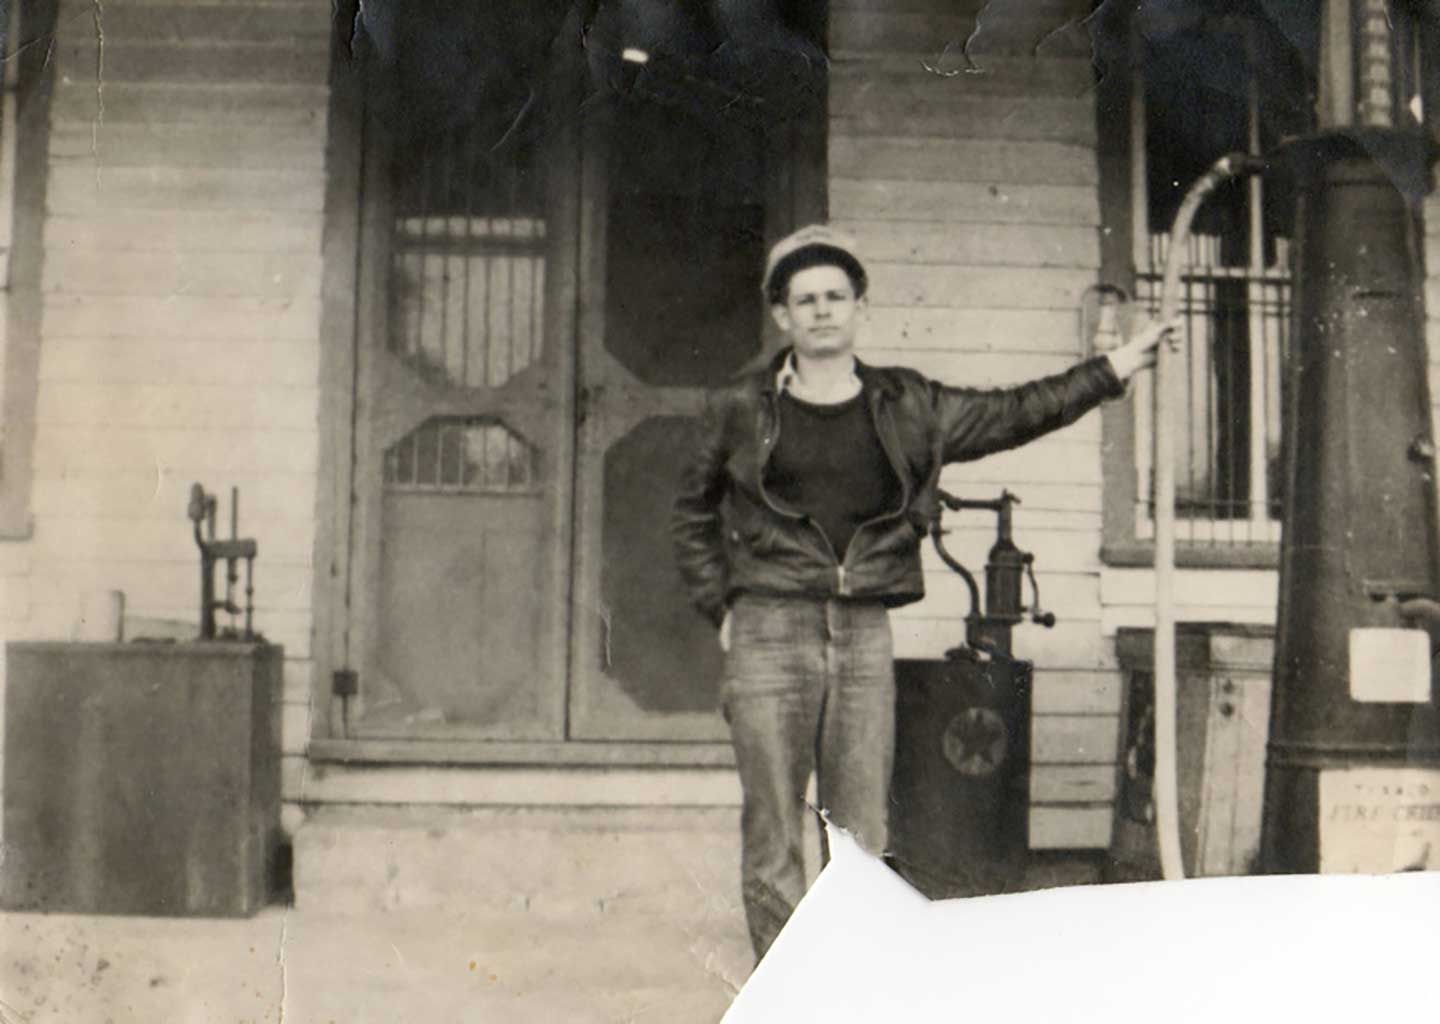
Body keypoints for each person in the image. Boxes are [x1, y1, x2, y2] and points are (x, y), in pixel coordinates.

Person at [670, 223, 1174, 960]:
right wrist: (722, 607)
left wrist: (1112, 368)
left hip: (863, 633)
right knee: (773, 829)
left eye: (836, 296)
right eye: (805, 299)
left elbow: (1013, 412)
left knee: (860, 835)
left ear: (861, 308)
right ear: (781, 315)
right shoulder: (742, 407)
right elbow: (691, 512)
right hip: (769, 630)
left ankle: (856, 986)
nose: (821, 310)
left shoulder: (906, 404)